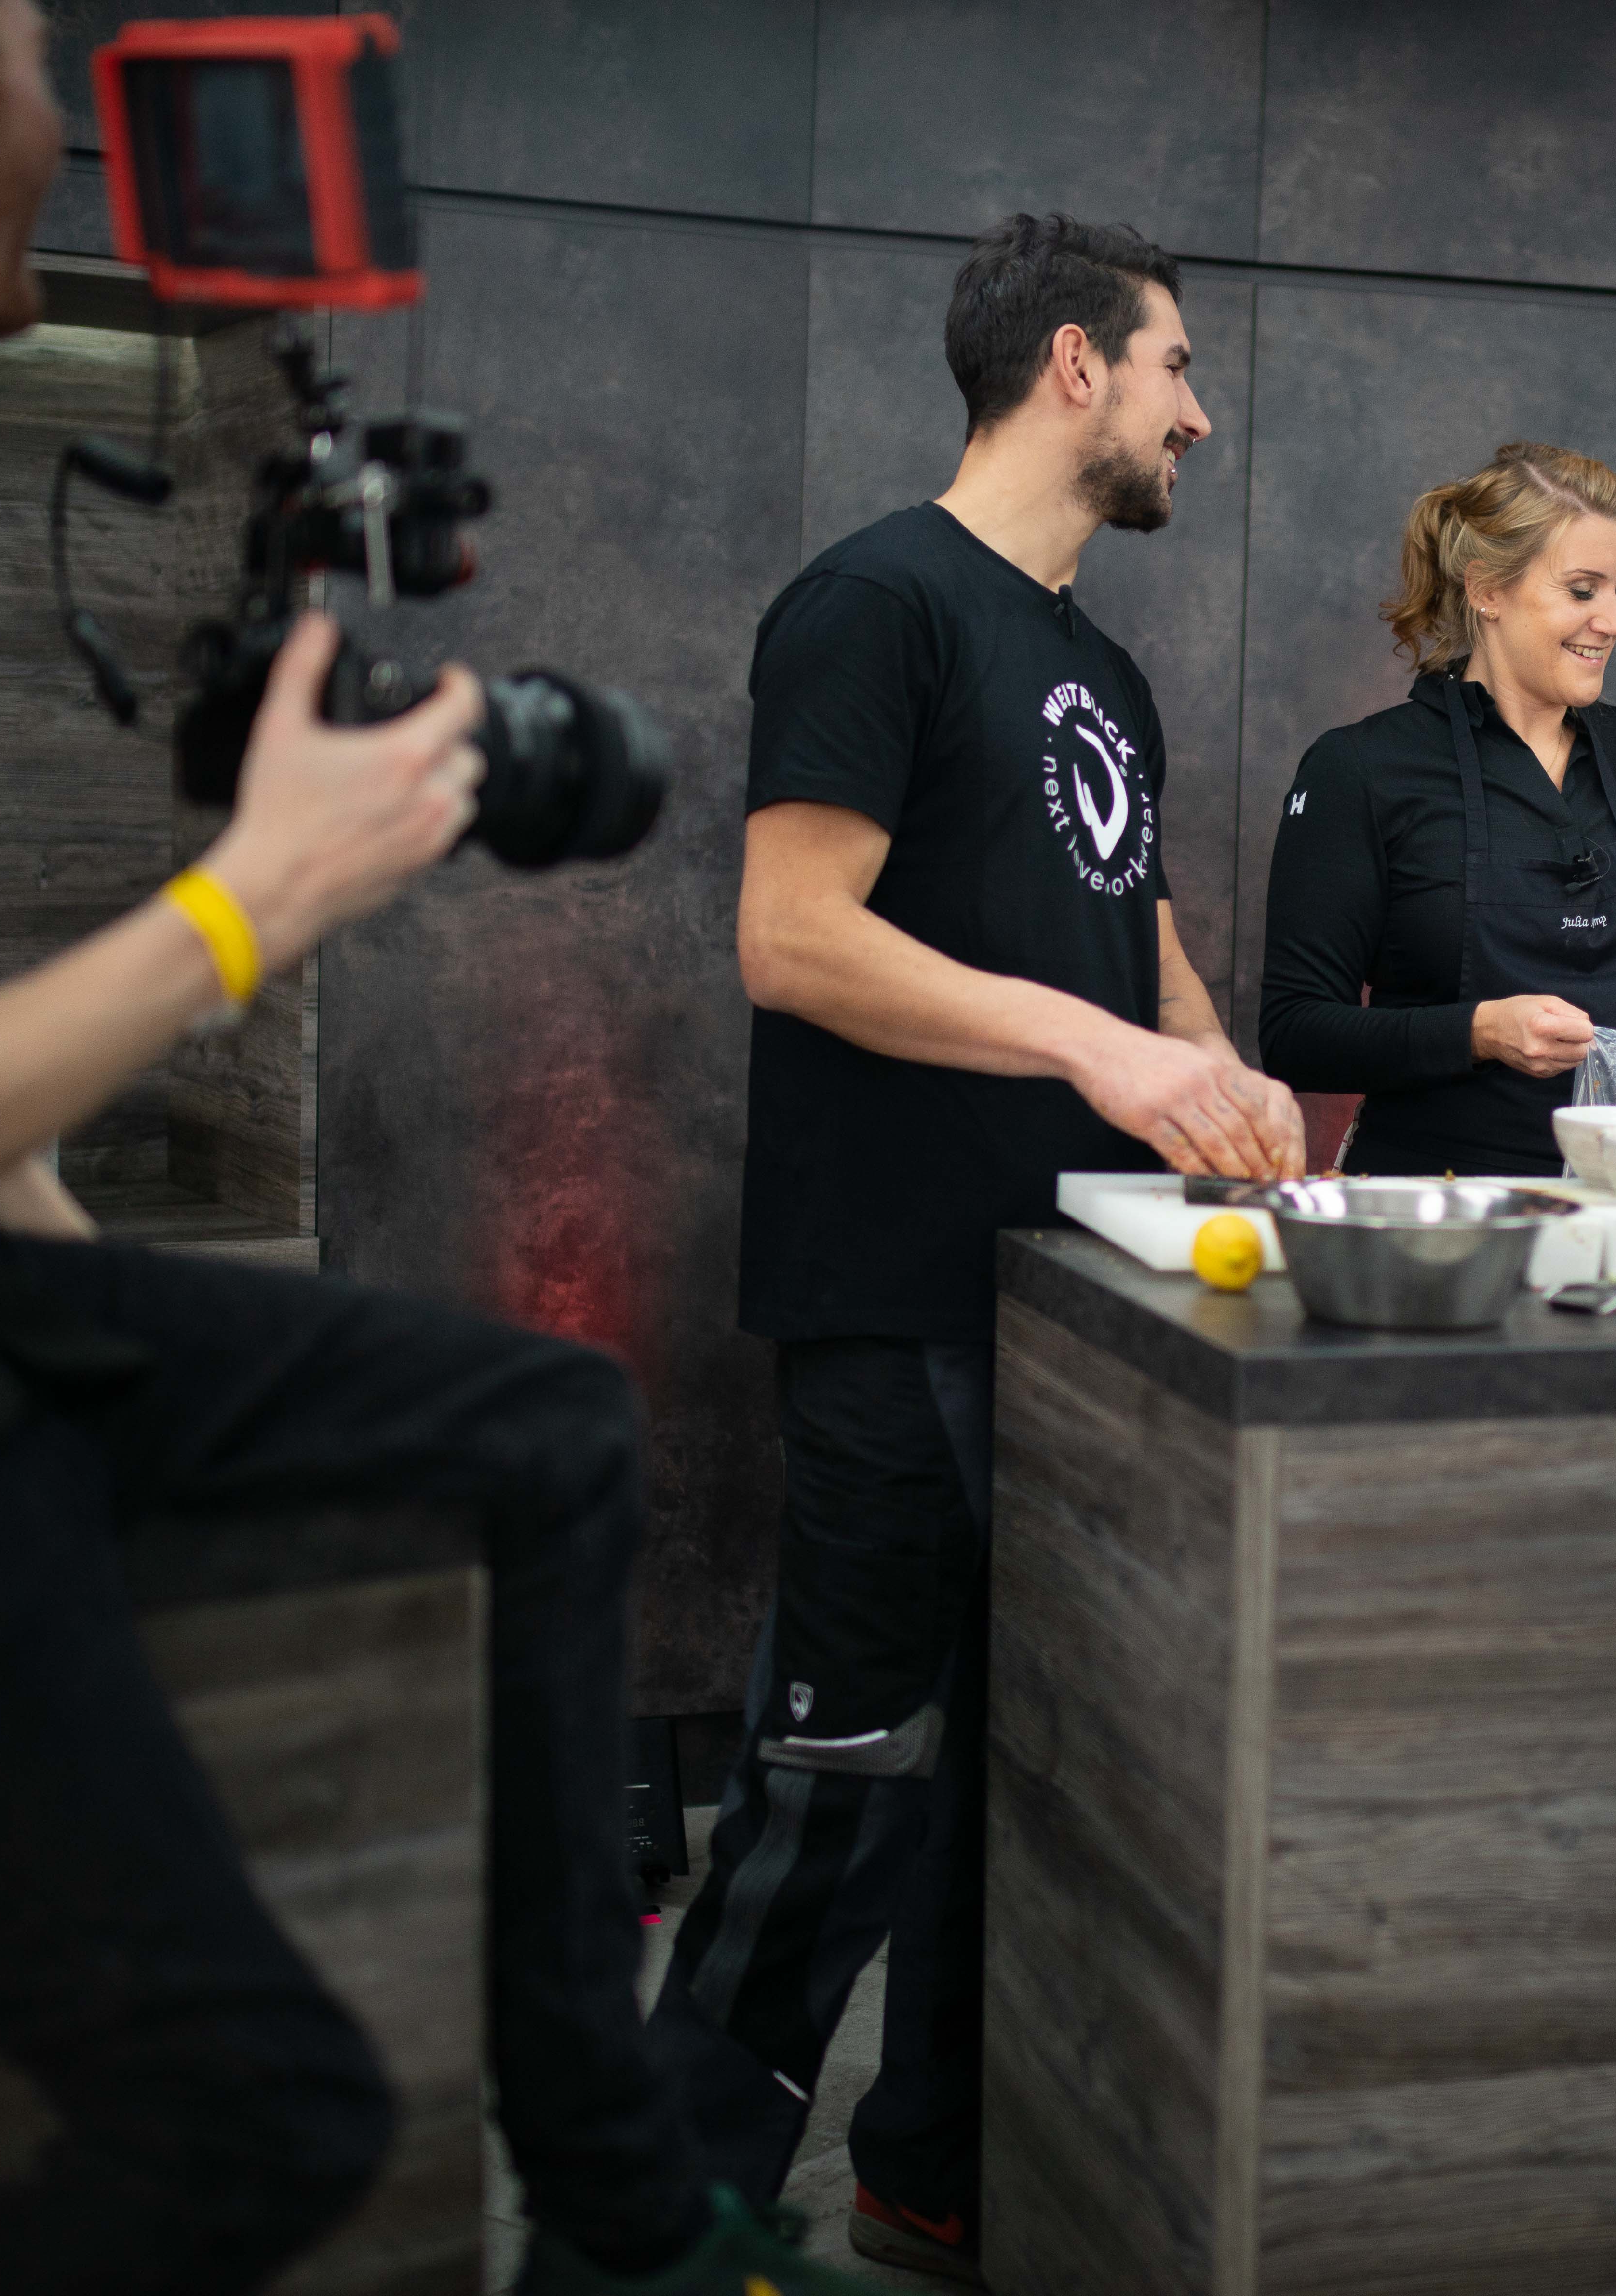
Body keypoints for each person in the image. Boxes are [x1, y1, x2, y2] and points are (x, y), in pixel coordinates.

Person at [0, 0, 880, 2291]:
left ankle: (608, 2190)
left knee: (550, 1429)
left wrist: (116, 1362)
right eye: (32, 60)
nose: (58, 118)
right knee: (264, 2113)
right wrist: (255, 895)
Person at [646, 212, 1303, 2280]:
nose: (1203, 409)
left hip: (1076, 1317)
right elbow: (793, 938)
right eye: (1179, 364)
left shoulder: (1095, 660)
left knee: (1013, 1795)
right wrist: (1109, 1050)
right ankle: (655, 2228)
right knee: (839, 1794)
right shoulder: (873, 603)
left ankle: (933, 2176)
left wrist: (1226, 1081)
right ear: (1076, 369)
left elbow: (1132, 922)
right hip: (895, 1298)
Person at [1258, 441, 1616, 1174]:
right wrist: (1479, 1032)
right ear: (1487, 591)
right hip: (1444, 1211)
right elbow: (1294, 1033)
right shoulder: (1363, 769)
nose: (1614, 619)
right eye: (1582, 589)